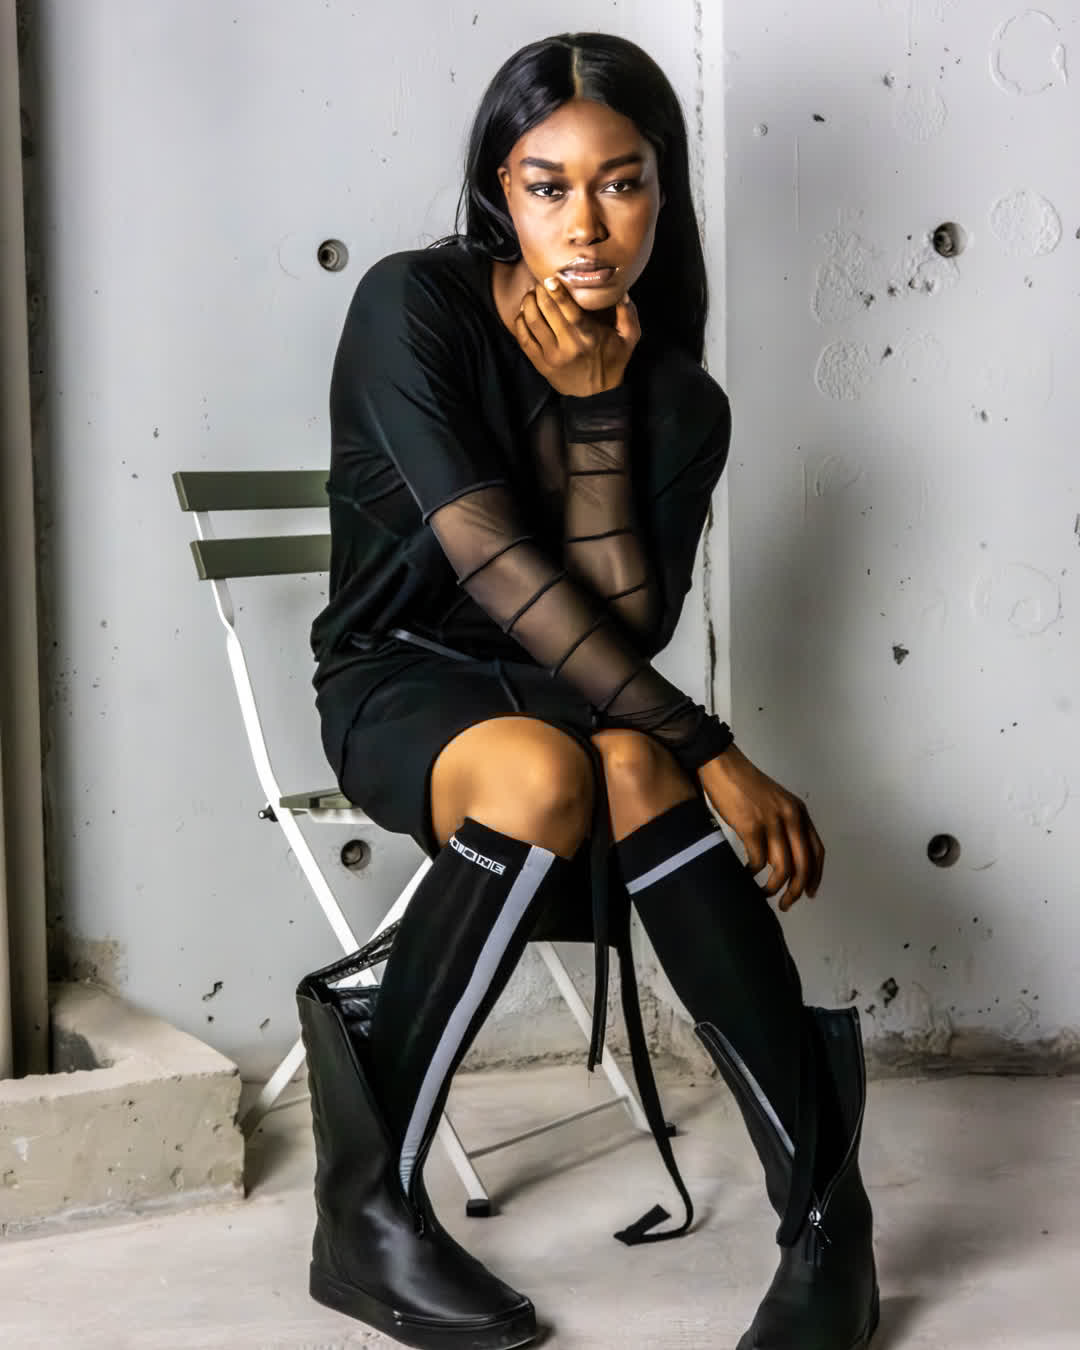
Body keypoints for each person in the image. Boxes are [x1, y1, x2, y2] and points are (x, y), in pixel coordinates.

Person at [296, 31, 878, 1350]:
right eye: (547, 183)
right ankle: (367, 1210)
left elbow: (624, 625)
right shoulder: (414, 306)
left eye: (621, 183)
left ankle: (825, 1215)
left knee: (624, 763)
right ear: (499, 189)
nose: (586, 221)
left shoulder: (685, 402)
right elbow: (491, 564)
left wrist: (605, 400)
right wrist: (718, 746)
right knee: (577, 764)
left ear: (661, 196)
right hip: (403, 679)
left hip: (567, 685)